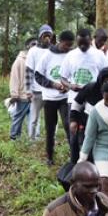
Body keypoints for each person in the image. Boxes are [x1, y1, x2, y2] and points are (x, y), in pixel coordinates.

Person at [61, 29, 107, 162]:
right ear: (77, 40)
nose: (82, 46)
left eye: (85, 44)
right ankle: (74, 163)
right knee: (73, 132)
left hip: (92, 101)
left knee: (91, 132)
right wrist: (70, 86)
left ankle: (91, 164)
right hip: (74, 99)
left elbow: (106, 76)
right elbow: (63, 78)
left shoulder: (99, 55)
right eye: (79, 43)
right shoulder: (70, 55)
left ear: (90, 40)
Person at [35, 30, 74, 165]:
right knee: (50, 128)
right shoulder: (47, 55)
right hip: (50, 98)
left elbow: (73, 74)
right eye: (66, 45)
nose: (68, 48)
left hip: (65, 97)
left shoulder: (71, 55)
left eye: (70, 46)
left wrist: (68, 86)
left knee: (69, 125)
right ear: (60, 42)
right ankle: (50, 157)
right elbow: (38, 76)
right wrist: (53, 84)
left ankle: (74, 156)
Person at [26, 25, 54, 140]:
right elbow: (28, 71)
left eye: (49, 35)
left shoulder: (54, 50)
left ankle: (51, 139)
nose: (47, 38)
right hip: (36, 91)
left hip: (51, 91)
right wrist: (28, 90)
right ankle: (32, 140)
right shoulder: (33, 51)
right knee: (34, 118)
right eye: (45, 35)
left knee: (52, 118)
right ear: (40, 37)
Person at [9, 38, 37, 140]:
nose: (35, 46)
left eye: (37, 44)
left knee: (34, 120)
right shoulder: (20, 61)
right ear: (28, 46)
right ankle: (14, 138)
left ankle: (34, 140)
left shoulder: (38, 59)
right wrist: (14, 94)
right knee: (18, 118)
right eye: (33, 44)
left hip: (35, 96)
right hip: (22, 96)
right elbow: (14, 78)